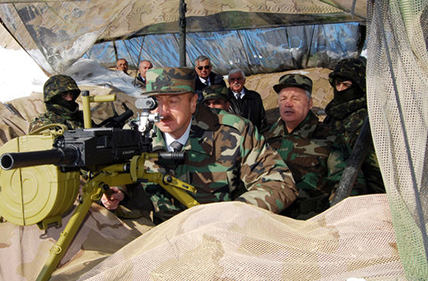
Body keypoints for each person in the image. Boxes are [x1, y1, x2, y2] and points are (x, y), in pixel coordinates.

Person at [101, 67, 298, 224]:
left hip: (219, 236)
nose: (163, 111)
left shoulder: (234, 131)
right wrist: (119, 189)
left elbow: (281, 183)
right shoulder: (135, 133)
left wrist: (232, 213)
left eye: (173, 101)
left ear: (193, 103)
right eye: (155, 102)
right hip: (157, 238)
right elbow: (115, 173)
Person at [264, 74, 360, 220]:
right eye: (283, 99)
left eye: (295, 98)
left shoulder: (329, 139)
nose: (288, 104)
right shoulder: (266, 138)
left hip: (315, 224)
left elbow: (348, 186)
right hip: (272, 222)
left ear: (310, 104)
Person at [324, 57, 385, 194]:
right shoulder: (332, 115)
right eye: (337, 84)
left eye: (346, 85)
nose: (340, 89)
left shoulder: (370, 118)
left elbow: (376, 168)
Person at [227, 68, 268, 132]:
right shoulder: (224, 99)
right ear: (229, 82)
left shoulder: (255, 97)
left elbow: (262, 119)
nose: (236, 82)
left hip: (253, 137)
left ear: (244, 80)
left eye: (238, 79)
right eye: (233, 79)